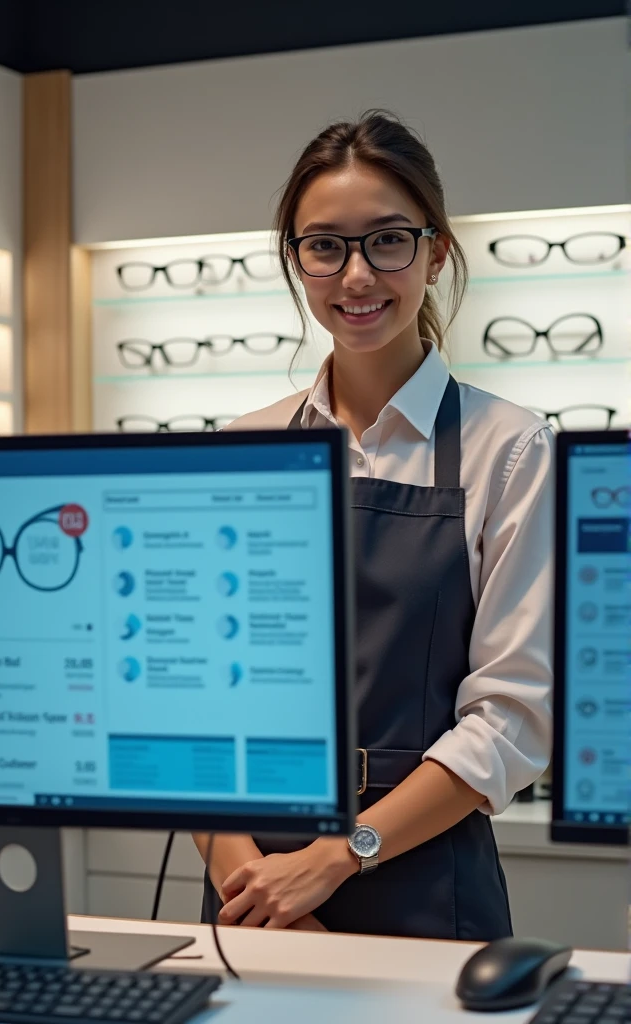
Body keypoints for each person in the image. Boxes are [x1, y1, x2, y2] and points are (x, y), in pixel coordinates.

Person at [192, 109, 554, 940]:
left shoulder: (509, 449)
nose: (356, 275)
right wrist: (258, 889)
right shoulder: (243, 446)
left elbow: (515, 715)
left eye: (387, 240)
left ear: (436, 251)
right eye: (325, 245)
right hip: (249, 892)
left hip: (422, 881)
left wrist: (339, 856)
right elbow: (201, 706)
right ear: (297, 262)